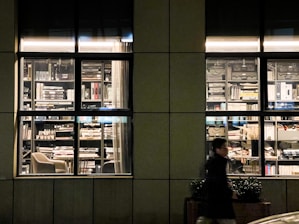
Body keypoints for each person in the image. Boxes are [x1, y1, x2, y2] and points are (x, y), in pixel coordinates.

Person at [197, 138, 237, 224]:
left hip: (211, 204)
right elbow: (219, 182)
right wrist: (229, 192)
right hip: (219, 204)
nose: (226, 149)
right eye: (224, 147)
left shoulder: (215, 162)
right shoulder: (218, 163)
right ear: (217, 149)